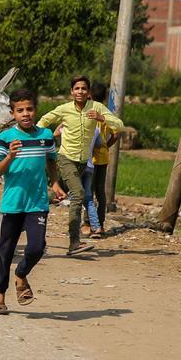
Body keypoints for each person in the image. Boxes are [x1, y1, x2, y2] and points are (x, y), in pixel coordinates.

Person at [0, 89, 67, 314]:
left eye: (29, 109)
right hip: (13, 203)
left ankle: (21, 274)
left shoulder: (45, 135)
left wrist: (54, 183)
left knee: (36, 247)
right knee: (5, 251)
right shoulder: (6, 138)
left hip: (38, 202)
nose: (26, 114)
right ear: (12, 113)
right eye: (20, 110)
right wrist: (10, 157)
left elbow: (51, 160)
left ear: (35, 110)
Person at [37, 75, 123, 255]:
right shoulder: (64, 109)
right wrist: (39, 137)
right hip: (65, 158)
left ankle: (30, 217)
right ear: (71, 92)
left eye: (84, 88)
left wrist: (102, 118)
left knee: (57, 193)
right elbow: (43, 121)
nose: (80, 91)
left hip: (83, 162)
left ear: (88, 92)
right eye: (77, 88)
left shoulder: (97, 108)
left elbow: (119, 125)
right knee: (79, 195)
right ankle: (74, 242)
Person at [81, 82, 116, 238]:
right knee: (100, 192)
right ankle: (100, 225)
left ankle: (88, 224)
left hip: (88, 158)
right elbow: (115, 135)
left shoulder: (86, 111)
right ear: (105, 97)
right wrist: (106, 146)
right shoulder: (107, 113)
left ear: (89, 94)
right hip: (102, 158)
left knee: (87, 192)